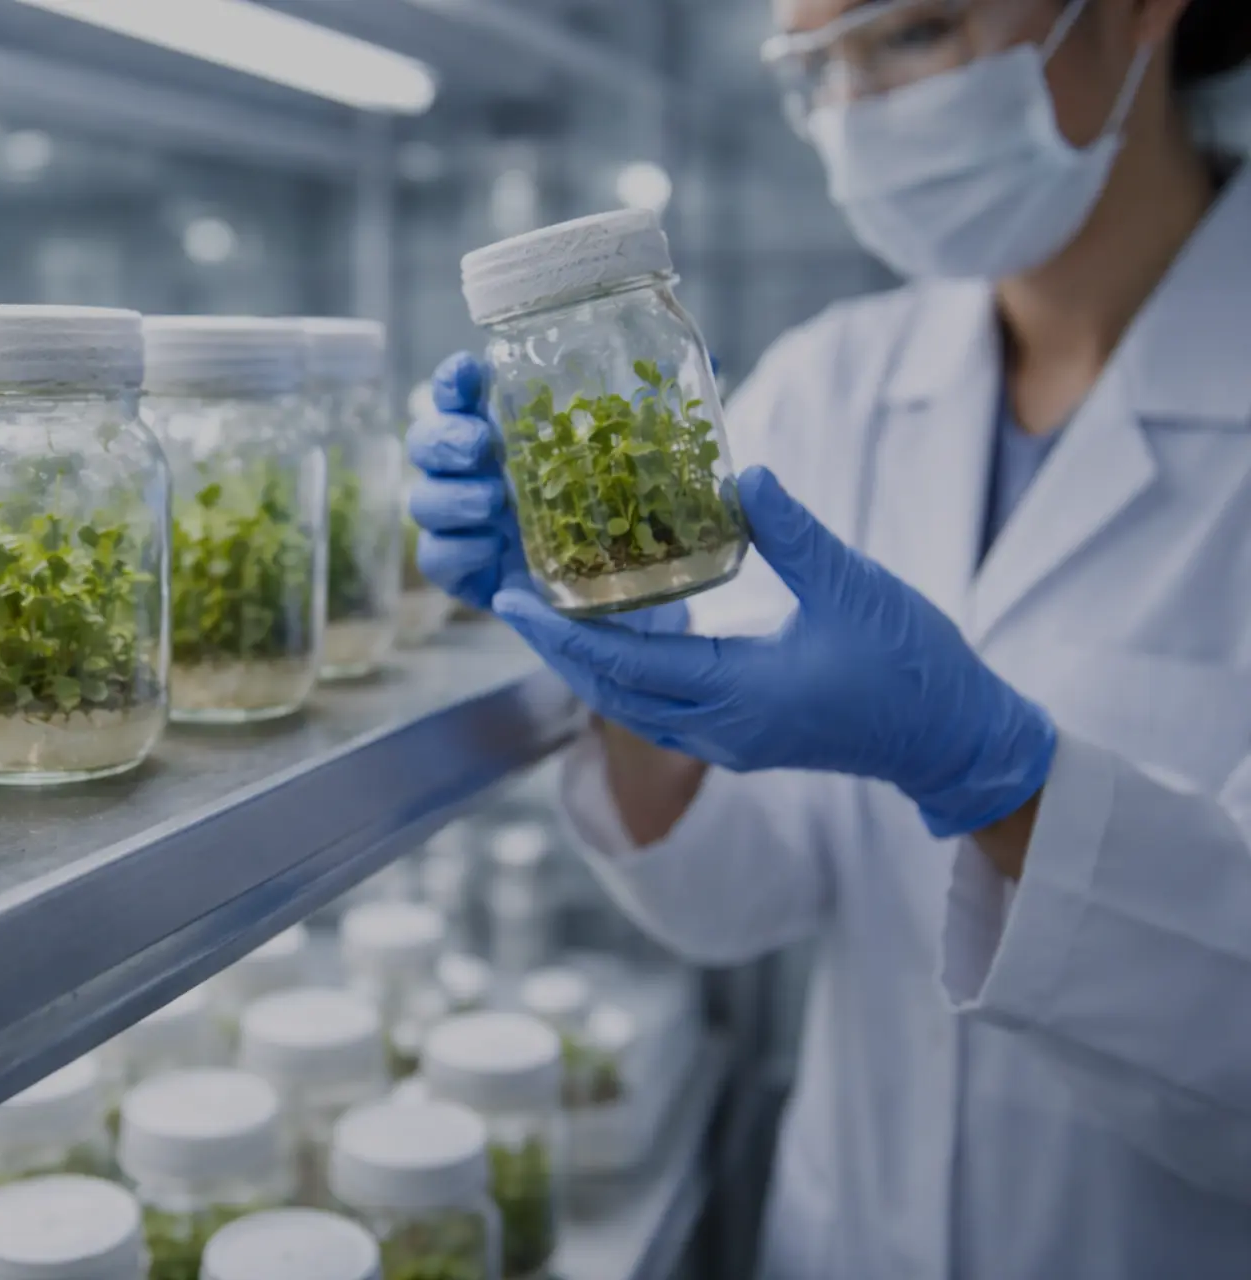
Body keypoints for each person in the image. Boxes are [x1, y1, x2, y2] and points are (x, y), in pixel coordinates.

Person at [409, 0, 1251, 1276]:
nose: (859, 113)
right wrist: (637, 677)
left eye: (912, 33)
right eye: (814, 66)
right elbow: (744, 890)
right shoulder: (830, 383)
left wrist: (1001, 778)